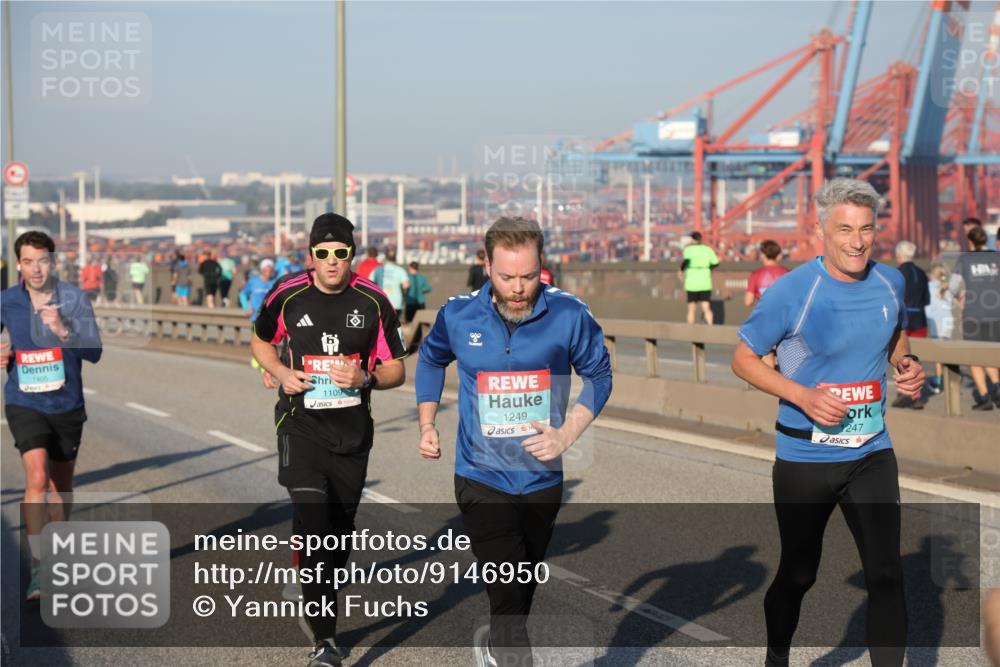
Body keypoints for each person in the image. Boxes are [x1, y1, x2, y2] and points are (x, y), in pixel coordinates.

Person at [731, 178, 923, 667]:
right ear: (821, 231)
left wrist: (905, 363)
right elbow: (744, 359)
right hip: (805, 458)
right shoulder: (793, 291)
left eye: (866, 229)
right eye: (844, 229)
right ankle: (778, 656)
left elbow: (894, 330)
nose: (857, 241)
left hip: (870, 451)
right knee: (799, 573)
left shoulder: (890, 281)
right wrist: (802, 395)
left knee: (886, 574)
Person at [416, 217, 612, 667]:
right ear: (487, 265)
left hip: (542, 476)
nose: (519, 288)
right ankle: (511, 654)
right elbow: (430, 359)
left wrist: (568, 433)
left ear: (541, 264)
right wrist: (427, 423)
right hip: (479, 474)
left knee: (523, 580)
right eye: (507, 277)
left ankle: (499, 643)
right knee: (506, 589)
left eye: (528, 276)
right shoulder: (459, 314)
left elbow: (599, 375)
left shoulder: (569, 314)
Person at [250, 213, 406, 667]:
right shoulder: (287, 293)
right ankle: (325, 642)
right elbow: (261, 341)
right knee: (316, 525)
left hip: (352, 435)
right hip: (300, 427)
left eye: (341, 253)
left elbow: (397, 368)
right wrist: (278, 370)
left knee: (336, 540)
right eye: (323, 253)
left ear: (352, 255)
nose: (332, 261)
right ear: (311, 256)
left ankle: (312, 569)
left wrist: (367, 377)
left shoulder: (375, 301)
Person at [1, 231, 103, 601]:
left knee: (61, 485)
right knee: (37, 478)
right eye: (28, 261)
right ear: (19, 265)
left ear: (53, 262)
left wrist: (63, 330)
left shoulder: (74, 299)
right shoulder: (8, 300)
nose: (36, 268)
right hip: (24, 401)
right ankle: (40, 568)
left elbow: (94, 352)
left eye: (42, 261)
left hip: (67, 404)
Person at [950, 225, 1000, 410]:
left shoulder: (965, 259)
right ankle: (997, 384)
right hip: (997, 313)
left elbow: (953, 286)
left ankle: (985, 396)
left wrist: (960, 297)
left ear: (970, 241)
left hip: (974, 313)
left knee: (974, 355)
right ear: (986, 240)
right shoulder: (997, 257)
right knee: (992, 353)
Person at [892, 240, 930, 409]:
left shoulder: (896, 274)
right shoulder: (921, 273)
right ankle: (916, 394)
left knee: (900, 356)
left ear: (899, 255)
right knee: (916, 360)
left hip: (903, 321)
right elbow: (927, 299)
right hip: (920, 319)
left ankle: (906, 393)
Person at [924, 263, 955, 394]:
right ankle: (949, 380)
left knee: (938, 355)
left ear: (932, 275)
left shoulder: (929, 286)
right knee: (947, 353)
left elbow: (927, 306)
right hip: (948, 323)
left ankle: (938, 382)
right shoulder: (947, 287)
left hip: (936, 323)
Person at [678, 231, 719, 325]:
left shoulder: (689, 250)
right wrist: (708, 268)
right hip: (705, 282)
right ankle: (710, 327)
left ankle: (690, 330)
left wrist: (681, 270)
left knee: (691, 309)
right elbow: (716, 263)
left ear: (692, 239)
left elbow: (686, 262)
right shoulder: (708, 249)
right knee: (706, 307)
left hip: (692, 283)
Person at [744, 240, 789, 308]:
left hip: (764, 314)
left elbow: (748, 302)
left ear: (762, 255)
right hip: (783, 314)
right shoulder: (787, 273)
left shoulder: (755, 275)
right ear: (778, 255)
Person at [371, 248, 409, 320]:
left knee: (383, 325)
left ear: (386, 257)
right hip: (396, 303)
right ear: (395, 257)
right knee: (394, 325)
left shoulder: (377, 270)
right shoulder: (400, 270)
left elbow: (370, 282)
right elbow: (406, 285)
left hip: (381, 302)